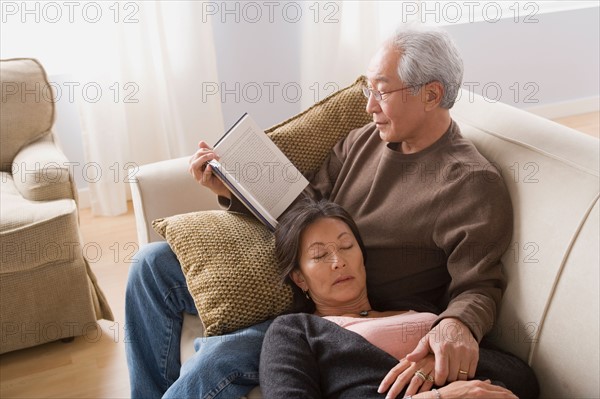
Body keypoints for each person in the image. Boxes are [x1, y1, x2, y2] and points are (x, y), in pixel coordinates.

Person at [125, 26, 539, 398]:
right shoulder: (363, 142)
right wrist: (231, 189)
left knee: (220, 358)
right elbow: (308, 210)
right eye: (368, 91)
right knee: (152, 265)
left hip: (351, 321)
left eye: (382, 91)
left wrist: (457, 326)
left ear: (430, 94)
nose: (370, 106)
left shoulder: (469, 182)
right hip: (306, 273)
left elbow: (479, 284)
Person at [260, 198, 521, 398]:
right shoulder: (294, 332)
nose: (338, 262)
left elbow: (524, 377)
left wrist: (441, 361)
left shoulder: (417, 308)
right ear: (299, 278)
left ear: (362, 255)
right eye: (319, 256)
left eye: (347, 246)